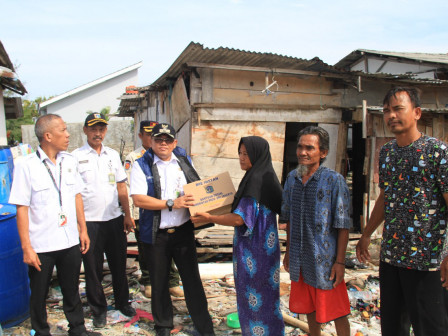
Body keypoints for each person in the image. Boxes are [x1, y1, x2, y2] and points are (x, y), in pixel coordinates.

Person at [356, 87, 448, 336]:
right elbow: (386, 198)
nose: (391, 116)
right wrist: (366, 234)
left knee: (430, 328)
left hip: (427, 262)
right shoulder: (387, 153)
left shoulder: (437, 152)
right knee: (393, 328)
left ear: (417, 112)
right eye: (387, 111)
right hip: (392, 257)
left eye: (398, 109)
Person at [9, 114, 101, 336]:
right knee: (39, 293)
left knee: (71, 289)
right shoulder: (26, 166)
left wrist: (83, 229)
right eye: (63, 130)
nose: (68, 134)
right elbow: (21, 209)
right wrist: (26, 247)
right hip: (41, 244)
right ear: (48, 136)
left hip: (69, 240)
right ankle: (41, 331)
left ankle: (77, 329)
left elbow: (77, 196)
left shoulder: (69, 161)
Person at [191, 136, 285, 335]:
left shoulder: (255, 182)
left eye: (246, 153)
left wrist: (209, 216)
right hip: (267, 251)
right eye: (240, 153)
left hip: (254, 253)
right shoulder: (263, 176)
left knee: (253, 298)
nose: (241, 158)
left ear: (257, 155)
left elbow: (238, 219)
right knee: (268, 298)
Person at [130, 122, 215, 336]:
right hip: (157, 234)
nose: (163, 143)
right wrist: (170, 203)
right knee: (158, 283)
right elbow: (139, 200)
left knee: (192, 279)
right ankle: (163, 326)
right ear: (151, 141)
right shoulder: (142, 165)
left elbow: (196, 187)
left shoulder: (184, 161)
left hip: (183, 231)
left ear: (174, 142)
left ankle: (204, 326)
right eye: (159, 139)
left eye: (168, 140)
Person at [281, 126, 351, 336]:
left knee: (338, 310)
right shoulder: (292, 179)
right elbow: (290, 220)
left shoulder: (334, 180)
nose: (303, 152)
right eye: (300, 147)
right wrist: (288, 251)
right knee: (308, 307)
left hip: (325, 260)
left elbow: (343, 224)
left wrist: (340, 262)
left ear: (323, 152)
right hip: (300, 258)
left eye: (309, 148)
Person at [72, 113, 136, 328]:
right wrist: (81, 226)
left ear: (105, 131)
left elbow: (121, 186)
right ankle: (98, 310)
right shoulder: (75, 157)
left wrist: (127, 215)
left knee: (119, 265)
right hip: (90, 223)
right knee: (93, 269)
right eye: (93, 129)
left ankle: (122, 303)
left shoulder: (112, 155)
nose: (97, 133)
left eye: (101, 129)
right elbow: (74, 194)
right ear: (85, 131)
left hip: (114, 220)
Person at [124, 120, 184, 298]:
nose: (160, 142)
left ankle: (173, 281)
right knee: (146, 251)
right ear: (143, 136)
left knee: (171, 251)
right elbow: (128, 188)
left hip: (172, 216)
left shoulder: (177, 158)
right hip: (143, 212)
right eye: (151, 135)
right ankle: (149, 281)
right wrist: (130, 215)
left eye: (166, 139)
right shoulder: (135, 159)